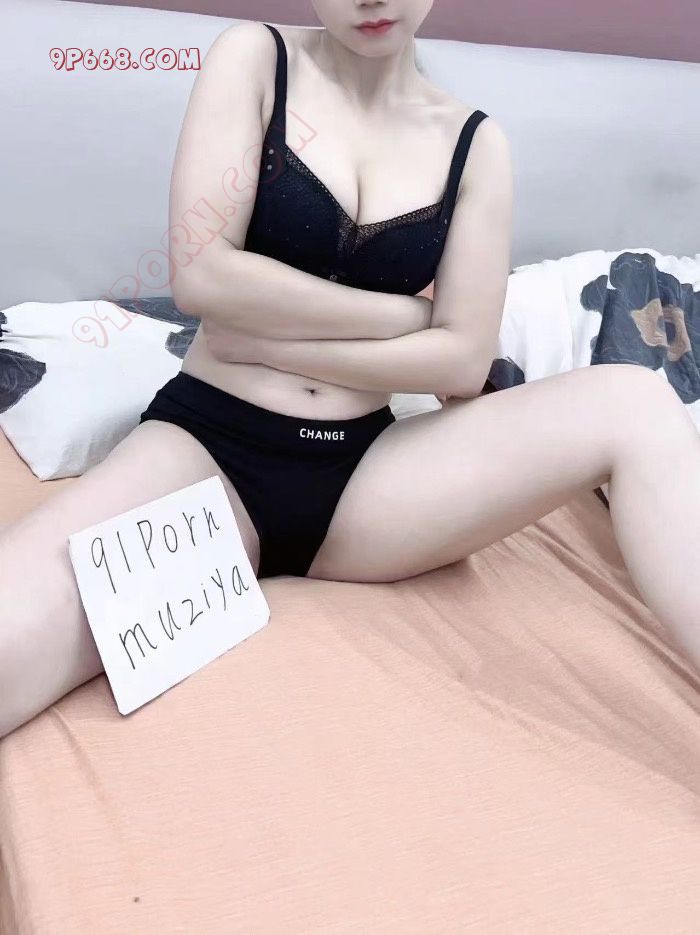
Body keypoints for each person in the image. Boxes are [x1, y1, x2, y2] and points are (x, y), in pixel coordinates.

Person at [1, 1, 699, 739]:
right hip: (210, 454)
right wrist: (406, 318)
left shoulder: (476, 144)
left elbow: (463, 362)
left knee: (637, 401)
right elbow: (203, 277)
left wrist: (268, 343)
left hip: (369, 485)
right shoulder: (255, 59)